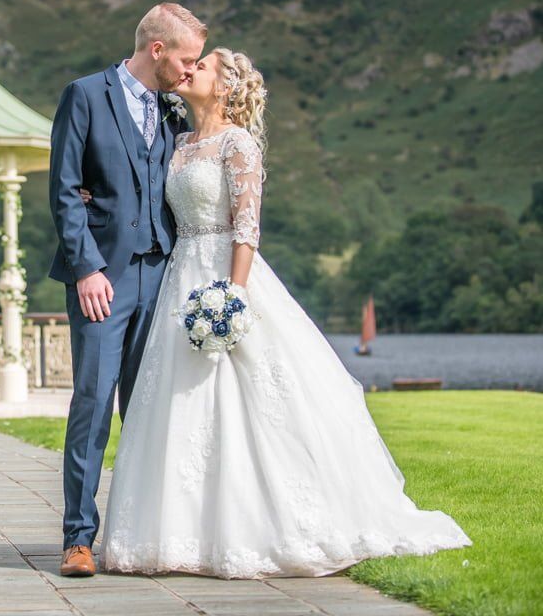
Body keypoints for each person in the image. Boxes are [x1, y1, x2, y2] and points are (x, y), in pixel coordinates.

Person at [99, 47, 472, 577]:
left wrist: (233, 296)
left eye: (201, 66)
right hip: (178, 280)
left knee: (252, 400)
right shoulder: (176, 142)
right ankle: (180, 532)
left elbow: (247, 226)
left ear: (225, 86)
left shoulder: (238, 144)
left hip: (226, 275)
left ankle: (264, 523)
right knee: (178, 402)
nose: (189, 69)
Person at [47, 3, 206, 577]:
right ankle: (78, 539)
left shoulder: (174, 110)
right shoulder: (85, 95)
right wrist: (85, 268)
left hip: (164, 276)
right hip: (103, 280)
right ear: (157, 50)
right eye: (186, 60)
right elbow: (65, 189)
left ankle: (142, 534)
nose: (190, 71)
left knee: (149, 407)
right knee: (93, 403)